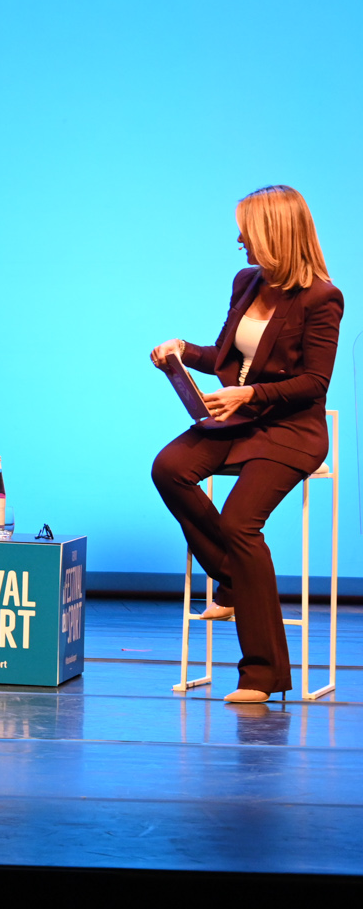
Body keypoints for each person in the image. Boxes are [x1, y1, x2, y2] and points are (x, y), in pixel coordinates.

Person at [150, 185, 342, 704]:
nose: (239, 241)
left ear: (275, 235)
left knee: (239, 522)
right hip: (238, 418)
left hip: (291, 429)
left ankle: (264, 672)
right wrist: (181, 350)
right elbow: (224, 356)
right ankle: (235, 583)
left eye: (247, 232)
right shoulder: (246, 282)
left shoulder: (322, 298)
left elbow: (313, 384)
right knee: (169, 468)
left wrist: (248, 394)